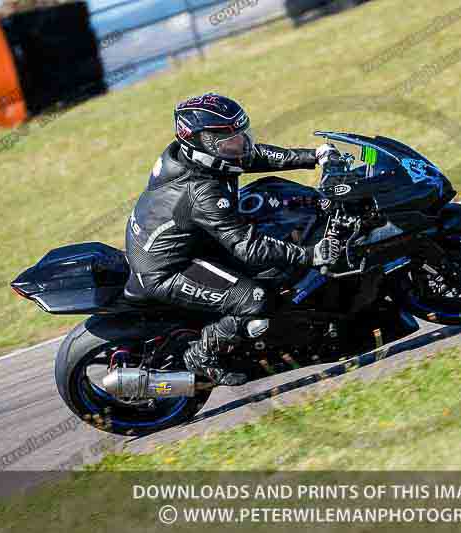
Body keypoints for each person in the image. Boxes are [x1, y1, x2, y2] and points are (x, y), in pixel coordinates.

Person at [123, 93, 342, 385]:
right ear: (201, 142)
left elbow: (254, 156)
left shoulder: (195, 156)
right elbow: (247, 247)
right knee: (255, 298)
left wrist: (313, 156)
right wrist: (309, 255)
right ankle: (201, 355)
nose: (240, 145)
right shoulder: (201, 191)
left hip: (183, 241)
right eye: (228, 141)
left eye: (240, 135)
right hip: (168, 270)